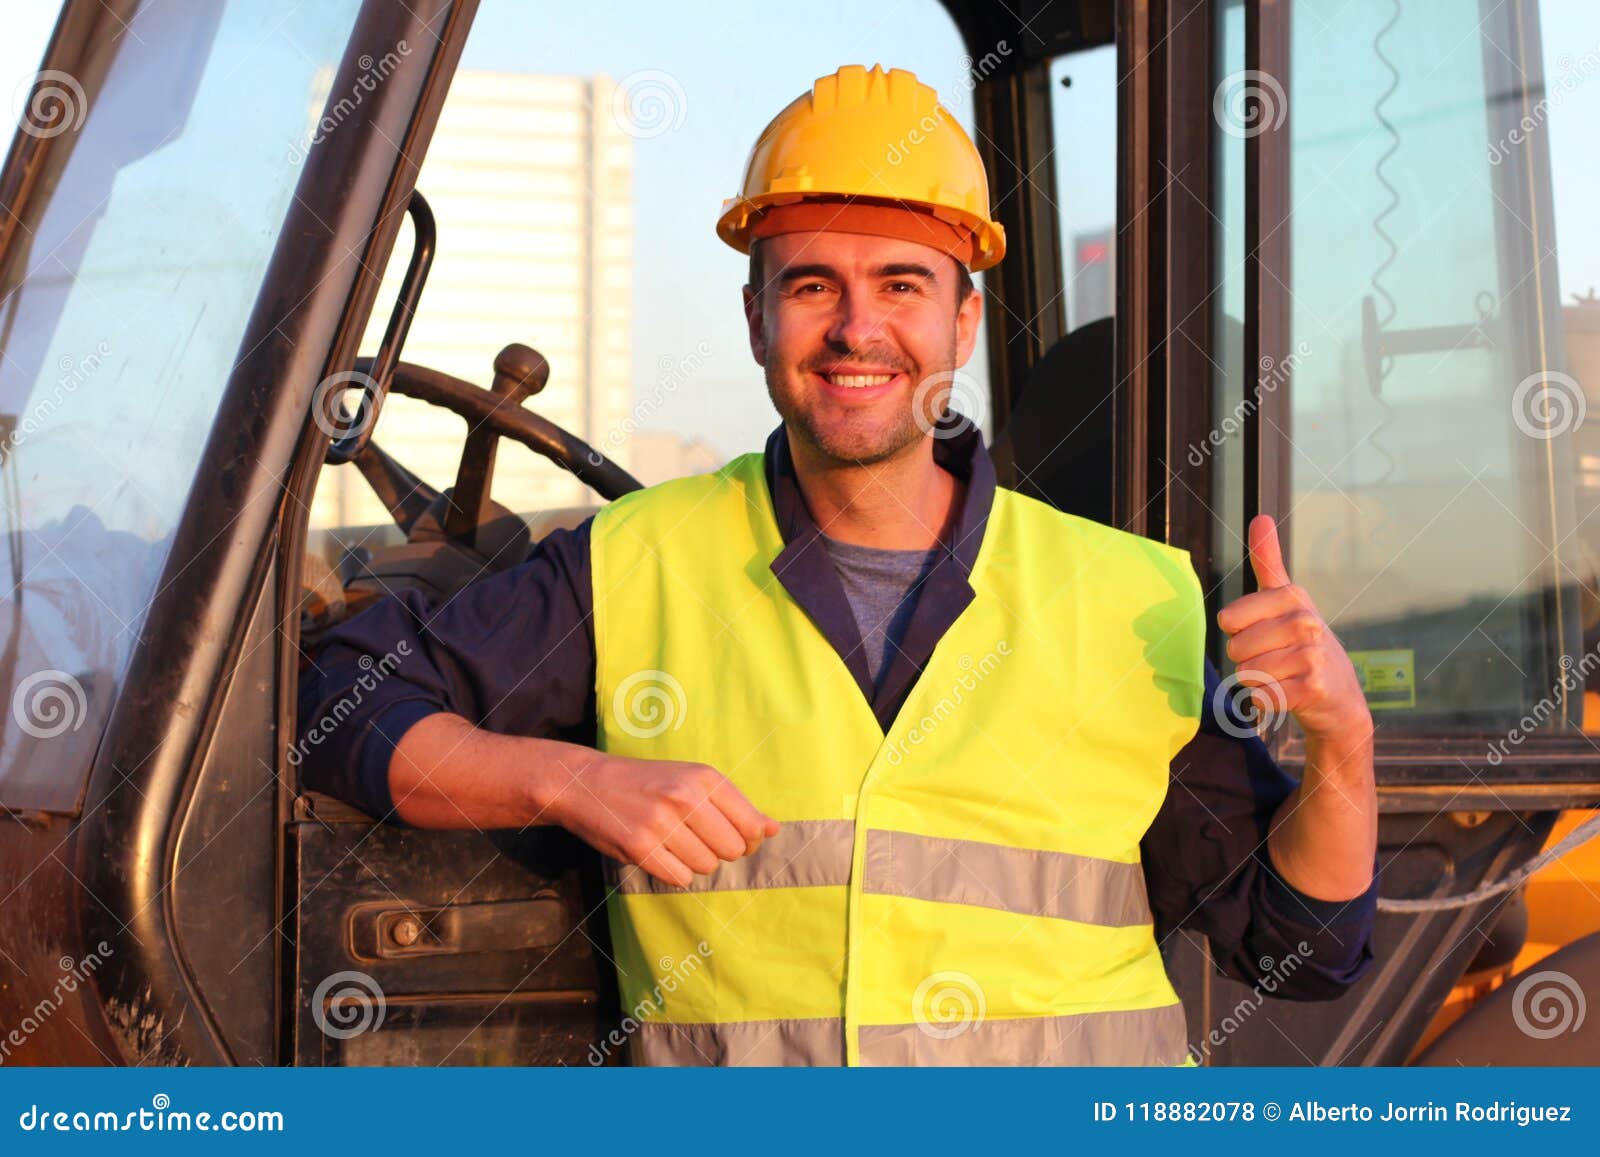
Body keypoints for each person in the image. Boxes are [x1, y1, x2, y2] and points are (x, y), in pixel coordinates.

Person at [297, 64, 1378, 1066]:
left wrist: (1343, 744)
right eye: (812, 285)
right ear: (756, 317)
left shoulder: (1131, 600)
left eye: (902, 285)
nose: (858, 328)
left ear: (961, 320)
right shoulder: (633, 563)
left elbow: (1301, 942)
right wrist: (572, 779)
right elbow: (345, 702)